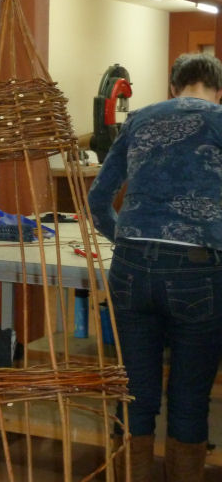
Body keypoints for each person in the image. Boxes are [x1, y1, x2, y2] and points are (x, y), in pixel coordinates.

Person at [87, 52, 222, 481]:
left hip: (130, 268)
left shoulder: (140, 120)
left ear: (173, 88)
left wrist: (126, 239)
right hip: (197, 270)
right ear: (219, 91)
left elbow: (97, 199)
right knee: (189, 397)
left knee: (134, 391)